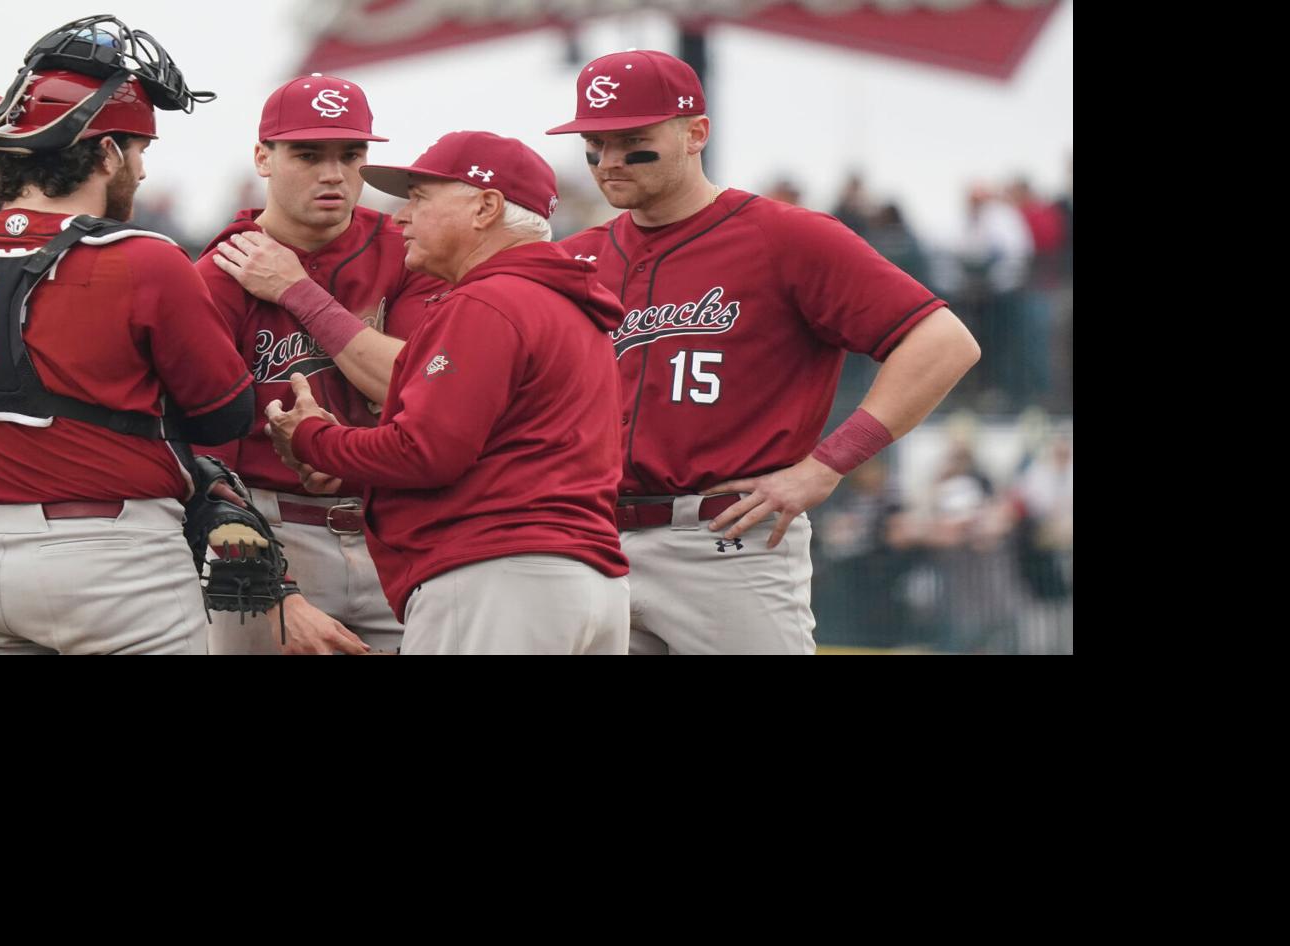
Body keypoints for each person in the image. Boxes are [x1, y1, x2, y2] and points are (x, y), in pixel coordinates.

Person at [546, 49, 981, 654]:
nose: (610, 160)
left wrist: (827, 465)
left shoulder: (786, 237)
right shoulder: (574, 259)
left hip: (725, 540)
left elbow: (942, 342)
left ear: (696, 133)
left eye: (633, 140)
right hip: (591, 542)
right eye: (595, 143)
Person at [0, 18, 254, 654]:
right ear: (107, 152)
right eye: (138, 150)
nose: (140, 171)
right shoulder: (148, 258)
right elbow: (227, 412)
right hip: (115, 556)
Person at [264, 131, 629, 655]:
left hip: (499, 579)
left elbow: (426, 452)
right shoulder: (564, 302)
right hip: (585, 581)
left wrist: (313, 439)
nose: (400, 217)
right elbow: (506, 450)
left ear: (485, 207)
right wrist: (352, 464)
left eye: (420, 198)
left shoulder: (488, 301)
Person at [198, 72, 441, 655]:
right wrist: (274, 588)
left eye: (350, 154)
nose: (333, 173)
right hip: (273, 528)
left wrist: (297, 290)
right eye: (308, 154)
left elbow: (421, 390)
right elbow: (203, 457)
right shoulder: (217, 271)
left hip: (395, 522)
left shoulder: (405, 250)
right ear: (263, 157)